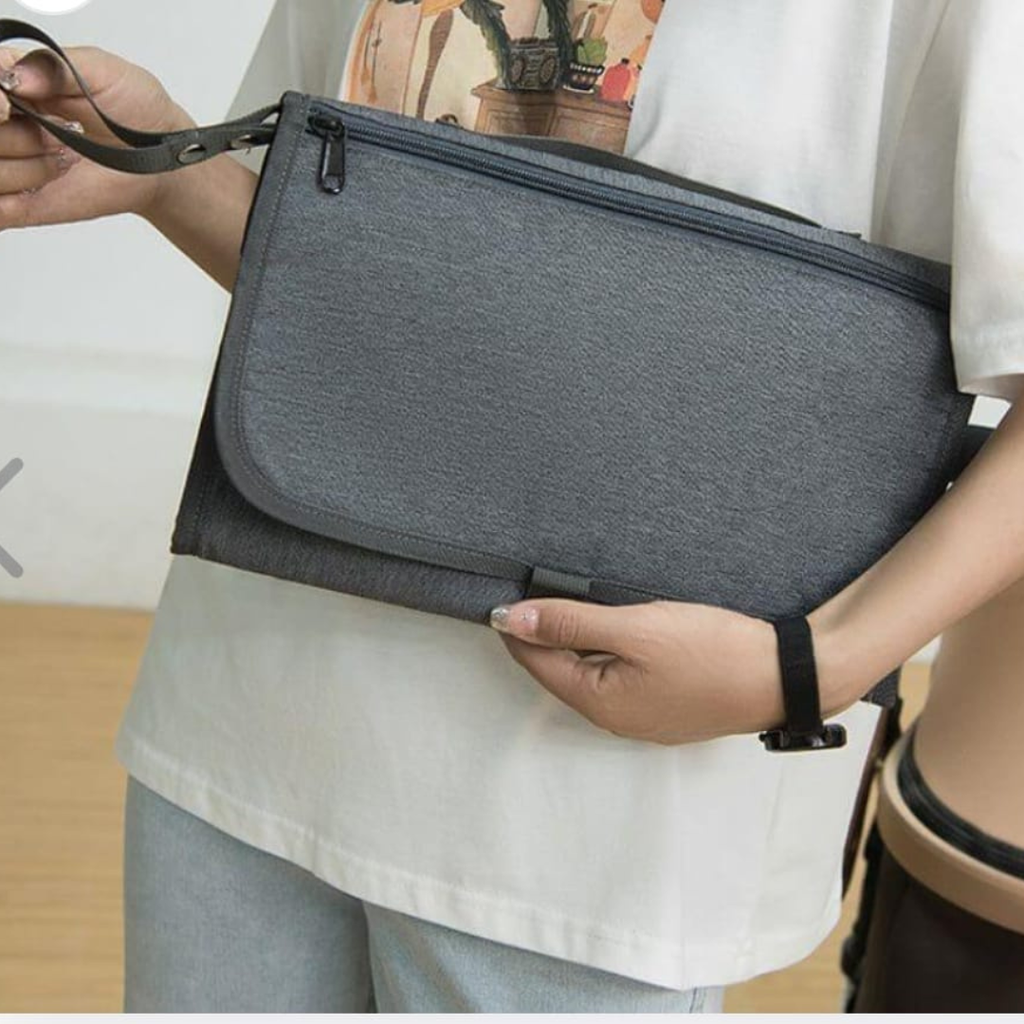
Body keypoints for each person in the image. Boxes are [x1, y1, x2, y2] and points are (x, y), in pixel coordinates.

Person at [1, 0, 1022, 1012]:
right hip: (249, 706)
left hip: (591, 818)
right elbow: (324, 260)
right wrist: (161, 171)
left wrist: (814, 667)